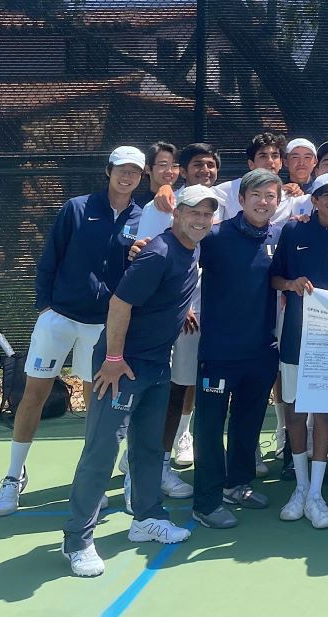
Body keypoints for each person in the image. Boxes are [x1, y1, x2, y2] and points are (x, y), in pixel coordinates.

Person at [60, 184, 217, 577]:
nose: (200, 220)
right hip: (122, 367)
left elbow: (167, 295)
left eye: (207, 214)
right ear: (177, 214)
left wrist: (180, 314)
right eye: (193, 212)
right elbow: (120, 303)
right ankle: (77, 539)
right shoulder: (158, 253)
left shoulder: (191, 248)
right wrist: (113, 359)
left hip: (156, 365)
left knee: (148, 447)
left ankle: (146, 518)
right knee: (101, 451)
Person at [0, 147, 145, 518]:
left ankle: (89, 480)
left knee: (97, 406)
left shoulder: (144, 218)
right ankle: (13, 478)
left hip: (104, 325)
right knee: (33, 395)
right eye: (121, 170)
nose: (127, 177)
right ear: (108, 171)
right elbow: (51, 256)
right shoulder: (77, 207)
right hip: (59, 317)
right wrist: (45, 305)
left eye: (135, 172)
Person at [191, 170, 285, 529]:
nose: (264, 202)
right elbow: (180, 260)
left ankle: (238, 484)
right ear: (242, 199)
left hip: (261, 351)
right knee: (210, 427)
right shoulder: (213, 236)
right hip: (218, 351)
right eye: (257, 195)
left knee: (248, 422)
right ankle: (207, 500)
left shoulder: (280, 235)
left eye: (271, 196)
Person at [270, 173, 328, 529]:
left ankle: (315, 495)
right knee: (295, 413)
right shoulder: (293, 232)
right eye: (326, 194)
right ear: (314, 199)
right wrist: (291, 284)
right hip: (295, 337)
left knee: (323, 414)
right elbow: (274, 278)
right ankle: (302, 485)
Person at [137, 142, 222, 499]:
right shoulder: (160, 205)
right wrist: (180, 302)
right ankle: (152, 466)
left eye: (211, 166)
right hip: (170, 317)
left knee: (189, 388)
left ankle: (168, 455)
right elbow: (147, 252)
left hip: (208, 317)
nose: (206, 171)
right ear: (182, 170)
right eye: (198, 165)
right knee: (164, 391)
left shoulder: (224, 201)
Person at [135, 141, 179, 207]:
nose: (169, 171)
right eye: (162, 165)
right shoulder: (136, 206)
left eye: (175, 166)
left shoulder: (184, 200)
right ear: (148, 169)